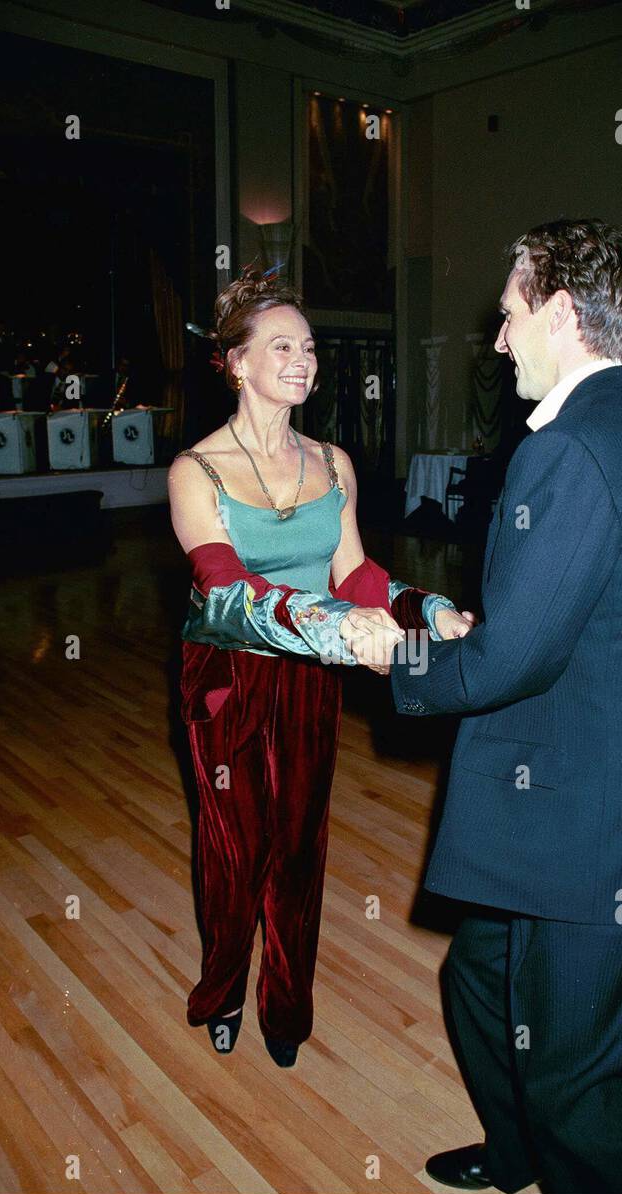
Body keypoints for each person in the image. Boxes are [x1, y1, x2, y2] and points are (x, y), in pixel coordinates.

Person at [389, 219, 622, 1194]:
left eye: (508, 316)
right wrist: (508, 628)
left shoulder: (572, 449)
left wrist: (400, 661)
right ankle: (526, 1149)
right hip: (591, 786)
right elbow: (577, 616)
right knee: (480, 982)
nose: (497, 341)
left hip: (599, 833)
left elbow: (504, 666)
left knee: (585, 1083)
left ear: (563, 315)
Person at [168, 264, 474, 1067]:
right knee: (234, 848)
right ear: (235, 362)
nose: (302, 360)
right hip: (228, 677)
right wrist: (339, 623)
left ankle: (285, 1007)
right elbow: (226, 592)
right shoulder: (194, 472)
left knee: (300, 844)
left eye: (307, 346)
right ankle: (223, 985)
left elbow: (356, 576)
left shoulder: (331, 462)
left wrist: (422, 607)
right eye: (280, 346)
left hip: (310, 673)